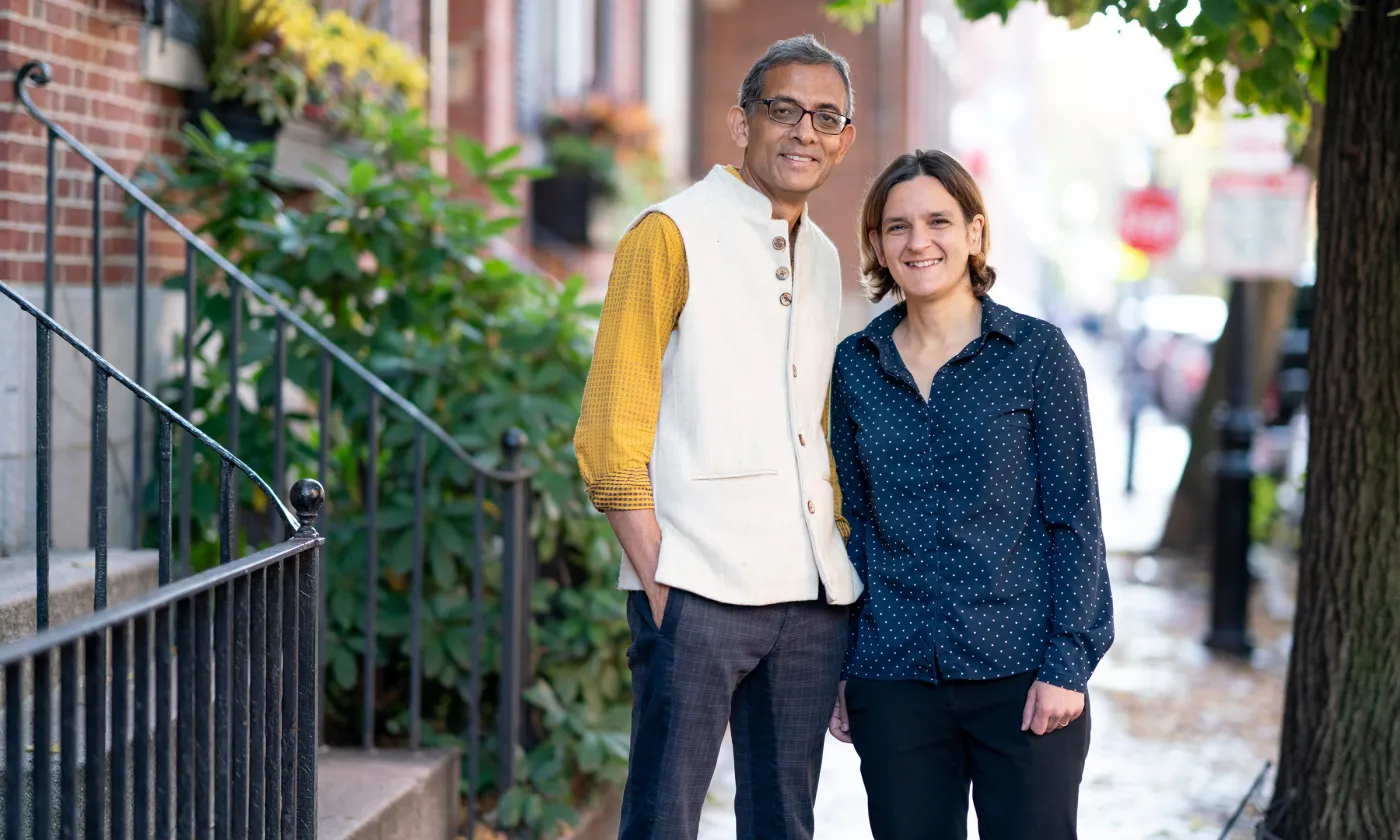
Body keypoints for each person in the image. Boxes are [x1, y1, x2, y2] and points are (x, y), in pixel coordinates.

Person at [573, 34, 862, 840]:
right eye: (783, 110)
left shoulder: (828, 259)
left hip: (807, 603)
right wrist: (663, 587)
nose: (804, 131)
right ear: (742, 123)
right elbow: (608, 430)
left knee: (784, 826)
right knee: (663, 822)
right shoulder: (668, 233)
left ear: (845, 139)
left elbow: (816, 433)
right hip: (695, 591)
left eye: (825, 117)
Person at [826, 150, 1114, 840]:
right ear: (877, 246)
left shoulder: (1037, 353)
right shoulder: (856, 365)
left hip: (1022, 676)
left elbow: (1075, 519)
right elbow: (854, 523)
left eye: (938, 221)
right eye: (897, 227)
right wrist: (844, 665)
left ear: (975, 234)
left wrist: (1067, 665)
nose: (918, 241)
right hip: (893, 677)